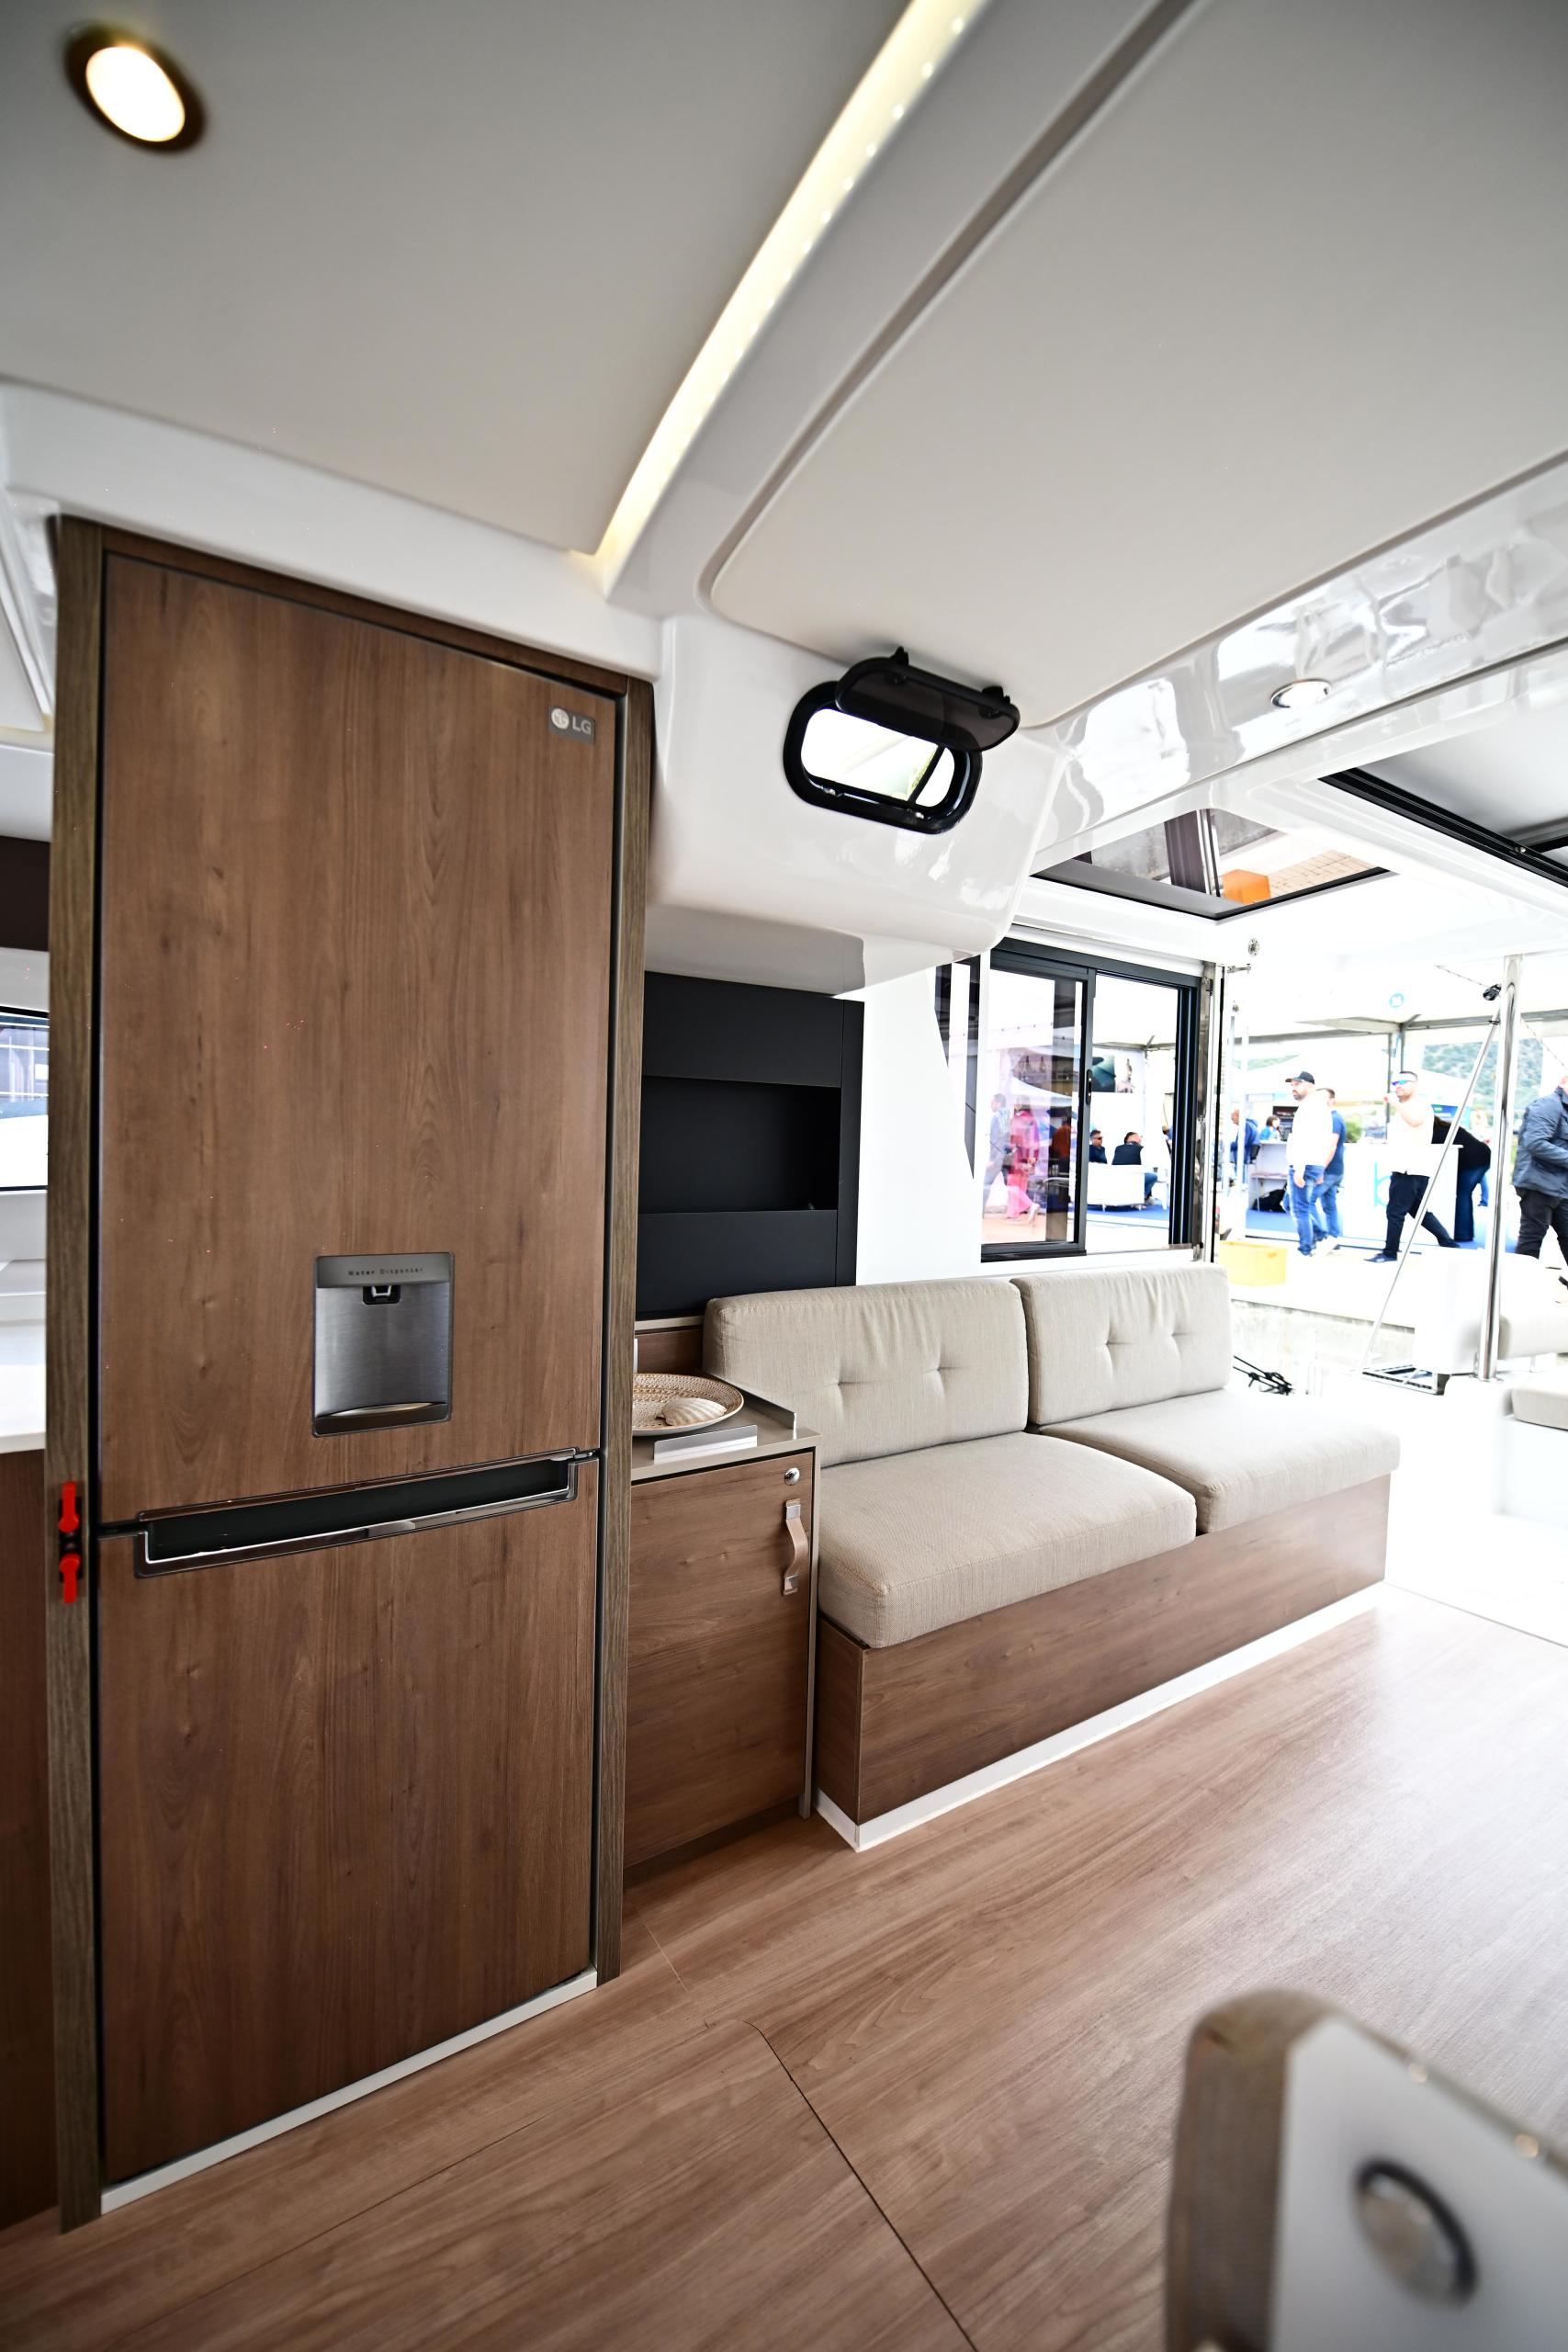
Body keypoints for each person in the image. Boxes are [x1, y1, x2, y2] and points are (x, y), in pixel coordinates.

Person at [1371, 1070, 1455, 1261]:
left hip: (1409, 1168)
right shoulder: (1406, 1106)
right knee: (1418, 1211)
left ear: (1415, 1084)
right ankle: (1448, 1243)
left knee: (1395, 1212)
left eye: (1402, 1082)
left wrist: (1395, 1103)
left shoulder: (1419, 1104)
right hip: (1408, 1166)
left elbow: (1415, 1121)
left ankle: (1390, 1253)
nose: (1397, 1086)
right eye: (1395, 1083)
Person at [1512, 1075, 1568, 1262]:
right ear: (1563, 1082)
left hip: (1560, 1187)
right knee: (1531, 1240)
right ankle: (1521, 1280)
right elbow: (1535, 1142)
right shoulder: (1549, 1105)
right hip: (1539, 1184)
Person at [1284, 1070, 1336, 1258]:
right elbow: (1322, 1139)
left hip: (1304, 1164)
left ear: (1310, 1085)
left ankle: (1306, 1248)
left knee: (1300, 1209)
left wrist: (1300, 1167)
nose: (1294, 1088)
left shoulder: (1309, 1107)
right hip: (1312, 1163)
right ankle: (1321, 1236)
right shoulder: (1319, 1107)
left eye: (1297, 1084)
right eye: (1292, 1085)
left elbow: (1303, 1139)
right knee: (1290, 1204)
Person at [1312, 1087, 1347, 1250]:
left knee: (1306, 1201)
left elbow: (1331, 1147)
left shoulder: (1333, 1119)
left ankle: (1322, 1237)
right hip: (1334, 1170)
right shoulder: (1331, 1118)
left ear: (1332, 1100)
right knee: (1329, 1205)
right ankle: (1333, 1239)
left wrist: (1320, 1170)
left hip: (1328, 1170)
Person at [1114, 1129, 1156, 1202]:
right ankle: (1142, 1198)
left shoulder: (1118, 1148)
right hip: (1134, 1177)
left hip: (1118, 1178)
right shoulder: (1141, 1149)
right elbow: (1146, 1167)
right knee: (1153, 1176)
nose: (1140, 1139)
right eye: (1138, 1137)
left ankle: (1141, 1197)